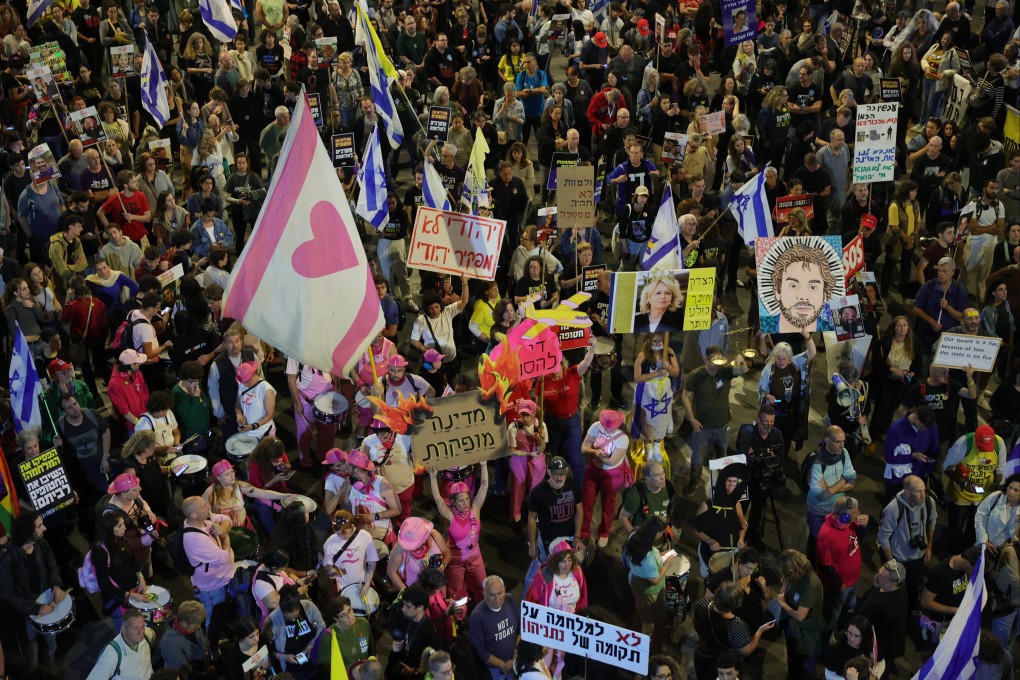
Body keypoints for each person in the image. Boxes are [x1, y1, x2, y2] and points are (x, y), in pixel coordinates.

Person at [683, 345, 753, 495]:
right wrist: (692, 419)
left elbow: (744, 370)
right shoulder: (696, 375)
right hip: (702, 428)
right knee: (698, 457)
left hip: (722, 426)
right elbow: (685, 397)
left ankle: (721, 487)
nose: (716, 363)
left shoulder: (726, 371)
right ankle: (694, 480)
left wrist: (741, 361)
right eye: (713, 360)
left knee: (722, 457)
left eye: (719, 359)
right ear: (705, 360)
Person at [0, 511, 66, 670]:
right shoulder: (7, 557)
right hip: (25, 612)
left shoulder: (42, 544)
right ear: (28, 532)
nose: (44, 528)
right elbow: (7, 594)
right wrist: (36, 608)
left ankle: (50, 665)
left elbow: (52, 567)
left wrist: (56, 585)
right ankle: (34, 671)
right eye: (39, 526)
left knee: (51, 639)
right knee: (30, 647)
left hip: (47, 603)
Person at [943, 425, 1008, 552]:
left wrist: (997, 495)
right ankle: (953, 553)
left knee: (975, 527)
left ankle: (968, 551)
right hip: (960, 494)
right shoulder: (963, 444)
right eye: (981, 447)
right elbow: (947, 468)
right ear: (975, 438)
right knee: (955, 527)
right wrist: (965, 484)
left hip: (983, 495)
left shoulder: (999, 444)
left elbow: (1000, 471)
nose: (984, 451)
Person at [430, 464, 489, 604]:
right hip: (456, 562)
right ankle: (458, 617)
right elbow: (438, 499)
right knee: (456, 593)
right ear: (453, 502)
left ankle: (484, 608)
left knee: (482, 587)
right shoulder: (450, 515)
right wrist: (432, 477)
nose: (465, 503)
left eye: (467, 499)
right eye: (461, 500)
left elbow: (484, 486)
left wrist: (484, 465)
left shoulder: (475, 509)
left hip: (475, 558)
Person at [692, 581, 774, 680]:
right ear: (736, 605)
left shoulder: (702, 604)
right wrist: (760, 631)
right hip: (723, 664)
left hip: (701, 655)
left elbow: (695, 624)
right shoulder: (737, 626)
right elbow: (747, 651)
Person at [758, 332, 817, 461]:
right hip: (776, 414)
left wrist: (806, 335)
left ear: (789, 357)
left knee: (785, 442)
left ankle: (780, 463)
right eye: (778, 358)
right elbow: (761, 390)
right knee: (771, 442)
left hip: (792, 414)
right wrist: (767, 395)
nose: (781, 362)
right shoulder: (769, 369)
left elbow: (812, 352)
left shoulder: (797, 363)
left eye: (784, 359)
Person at [816, 496, 869, 635]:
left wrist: (864, 527)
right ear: (845, 516)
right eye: (856, 512)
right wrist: (839, 585)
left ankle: (841, 629)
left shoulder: (849, 523)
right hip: (840, 587)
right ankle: (825, 643)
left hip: (853, 580)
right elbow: (825, 565)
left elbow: (860, 537)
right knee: (832, 618)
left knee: (848, 609)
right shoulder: (827, 535)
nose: (858, 514)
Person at [180, 495, 235, 629]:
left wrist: (222, 529)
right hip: (212, 586)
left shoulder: (202, 521)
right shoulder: (196, 539)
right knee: (212, 614)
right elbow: (224, 557)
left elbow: (226, 519)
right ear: (194, 514)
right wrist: (225, 536)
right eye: (204, 507)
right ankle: (210, 639)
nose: (208, 508)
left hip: (218, 580)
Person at [623, 516, 674, 653]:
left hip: (634, 581)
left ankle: (634, 637)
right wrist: (667, 565)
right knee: (660, 622)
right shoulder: (648, 557)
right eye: (661, 532)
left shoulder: (635, 535)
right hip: (649, 591)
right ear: (655, 533)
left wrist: (660, 555)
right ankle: (655, 649)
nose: (662, 535)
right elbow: (655, 580)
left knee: (639, 609)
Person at [580, 409, 630, 547]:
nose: (607, 429)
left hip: (612, 475)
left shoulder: (623, 438)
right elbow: (583, 448)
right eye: (605, 426)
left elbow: (612, 461)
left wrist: (593, 453)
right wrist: (596, 452)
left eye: (610, 427)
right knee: (587, 502)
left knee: (608, 505)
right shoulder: (596, 426)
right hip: (593, 470)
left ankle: (604, 532)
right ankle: (584, 532)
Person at [805, 426, 858, 550]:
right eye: (838, 442)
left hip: (837, 509)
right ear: (827, 441)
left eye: (843, 441)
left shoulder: (844, 453)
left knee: (831, 544)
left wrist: (831, 488)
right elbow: (822, 496)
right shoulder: (816, 462)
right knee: (817, 543)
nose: (842, 445)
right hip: (818, 511)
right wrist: (842, 481)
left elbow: (853, 481)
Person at [776, 549, 825, 680]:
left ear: (794, 570)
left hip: (807, 631)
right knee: (793, 658)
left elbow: (800, 616)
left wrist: (782, 603)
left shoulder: (811, 584)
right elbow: (783, 590)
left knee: (806, 666)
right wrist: (784, 586)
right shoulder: (793, 575)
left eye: (787, 574)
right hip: (792, 625)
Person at [919, 545, 982, 641]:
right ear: (966, 563)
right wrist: (953, 610)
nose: (975, 574)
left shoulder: (963, 566)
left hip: (955, 618)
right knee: (937, 644)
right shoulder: (940, 574)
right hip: (940, 621)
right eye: (974, 570)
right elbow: (925, 602)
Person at [267, 584, 326, 680]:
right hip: (290, 668)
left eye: (296, 616)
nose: (294, 620)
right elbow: (266, 649)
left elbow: (321, 626)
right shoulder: (272, 620)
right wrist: (282, 657)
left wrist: (313, 644)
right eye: (288, 618)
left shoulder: (309, 607)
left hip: (313, 659)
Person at [322, 509, 379, 608]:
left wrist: (367, 583)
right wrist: (331, 570)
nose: (341, 537)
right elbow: (327, 563)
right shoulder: (330, 542)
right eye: (338, 534)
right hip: (342, 588)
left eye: (344, 534)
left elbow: (372, 562)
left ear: (353, 526)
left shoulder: (365, 537)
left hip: (362, 583)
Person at [470, 575, 520, 680]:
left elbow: (519, 630)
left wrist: (514, 659)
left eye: (500, 593)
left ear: (504, 590)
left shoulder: (510, 600)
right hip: (494, 670)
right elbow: (479, 650)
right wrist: (502, 665)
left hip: (514, 661)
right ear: (484, 594)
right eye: (492, 595)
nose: (497, 599)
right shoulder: (477, 616)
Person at [508, 399, 548, 525]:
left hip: (536, 458)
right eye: (522, 414)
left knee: (535, 487)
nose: (524, 418)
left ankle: (534, 512)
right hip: (519, 457)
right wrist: (528, 453)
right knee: (518, 486)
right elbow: (511, 450)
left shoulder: (541, 426)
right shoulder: (513, 427)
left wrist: (541, 439)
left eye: (527, 415)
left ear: (533, 414)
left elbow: (542, 450)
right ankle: (516, 515)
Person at [85, 609, 156, 680]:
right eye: (135, 628)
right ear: (123, 629)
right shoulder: (111, 655)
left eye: (143, 627)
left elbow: (152, 634)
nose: (141, 632)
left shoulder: (147, 634)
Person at [318, 596, 375, 673]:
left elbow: (371, 651)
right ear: (336, 619)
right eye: (343, 615)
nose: (349, 616)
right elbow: (326, 666)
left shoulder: (363, 623)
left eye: (349, 610)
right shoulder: (328, 636)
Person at [160, 600, 213, 676]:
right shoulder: (170, 645)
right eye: (196, 625)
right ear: (184, 623)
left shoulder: (192, 623)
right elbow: (183, 672)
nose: (199, 627)